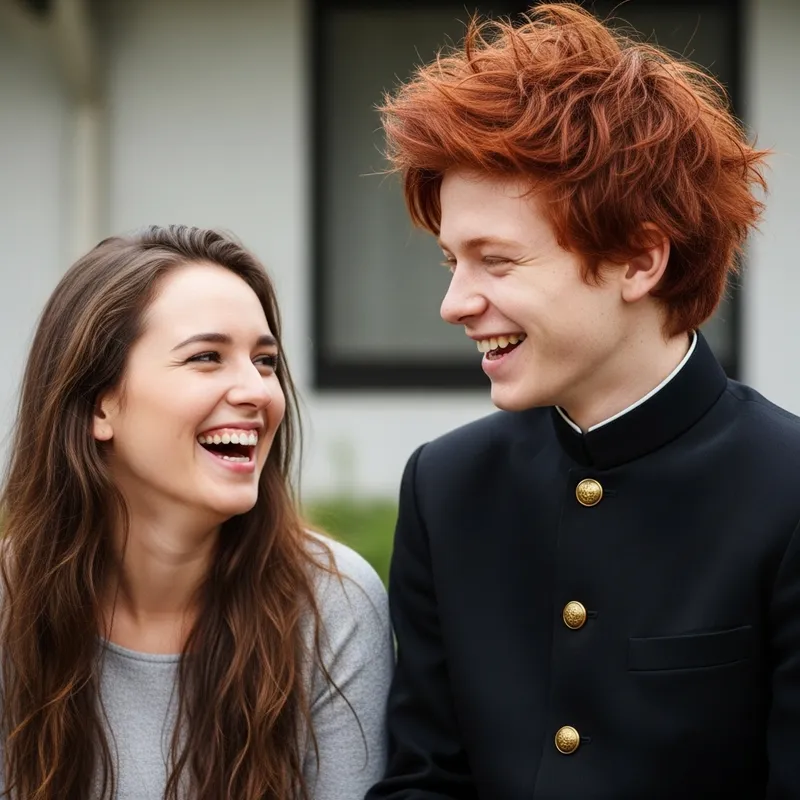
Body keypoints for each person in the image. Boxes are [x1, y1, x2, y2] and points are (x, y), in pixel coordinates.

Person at [365, 4, 800, 798]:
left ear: (638, 260)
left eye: (496, 261)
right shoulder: (447, 486)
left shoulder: (789, 487)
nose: (455, 304)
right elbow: (424, 781)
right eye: (449, 262)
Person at [0, 225, 392, 799]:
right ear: (98, 404)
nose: (258, 391)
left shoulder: (333, 605)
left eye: (264, 361)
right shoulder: (12, 604)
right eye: (206, 357)